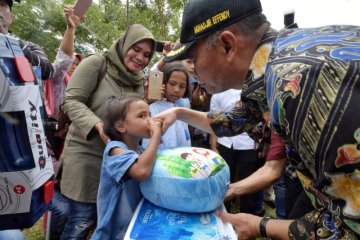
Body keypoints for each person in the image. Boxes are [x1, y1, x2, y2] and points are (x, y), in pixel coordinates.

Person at [156, 0, 360, 239]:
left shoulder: (298, 83)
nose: (191, 69)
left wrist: (259, 225)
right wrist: (178, 113)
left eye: (192, 58)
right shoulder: (275, 62)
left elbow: (351, 226)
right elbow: (232, 120)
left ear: (227, 45)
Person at [54, 24, 156, 239]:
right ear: (123, 44)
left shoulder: (138, 81)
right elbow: (70, 100)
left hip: (118, 160)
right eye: (136, 49)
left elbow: (133, 117)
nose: (140, 58)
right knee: (81, 219)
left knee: (105, 218)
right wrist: (98, 125)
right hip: (86, 157)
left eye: (147, 55)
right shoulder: (96, 64)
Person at [92, 94, 162, 239]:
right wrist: (156, 136)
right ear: (121, 126)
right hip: (113, 232)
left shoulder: (141, 152)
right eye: (142, 116)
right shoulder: (114, 150)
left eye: (150, 115)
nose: (150, 120)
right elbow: (141, 171)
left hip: (135, 227)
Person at [210, 89, 264, 216]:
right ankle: (223, 215)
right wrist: (213, 146)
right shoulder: (218, 92)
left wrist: (262, 146)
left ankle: (248, 217)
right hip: (225, 143)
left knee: (249, 183)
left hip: (250, 145)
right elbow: (213, 122)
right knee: (224, 180)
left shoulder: (253, 90)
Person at [142, 61, 191, 150]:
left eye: (182, 86)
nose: (176, 90)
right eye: (172, 84)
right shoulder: (153, 109)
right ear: (162, 83)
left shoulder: (183, 107)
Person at [0, 0, 53, 80]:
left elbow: (48, 72)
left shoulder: (29, 47)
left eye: (2, 4)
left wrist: (11, 44)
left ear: (11, 18)